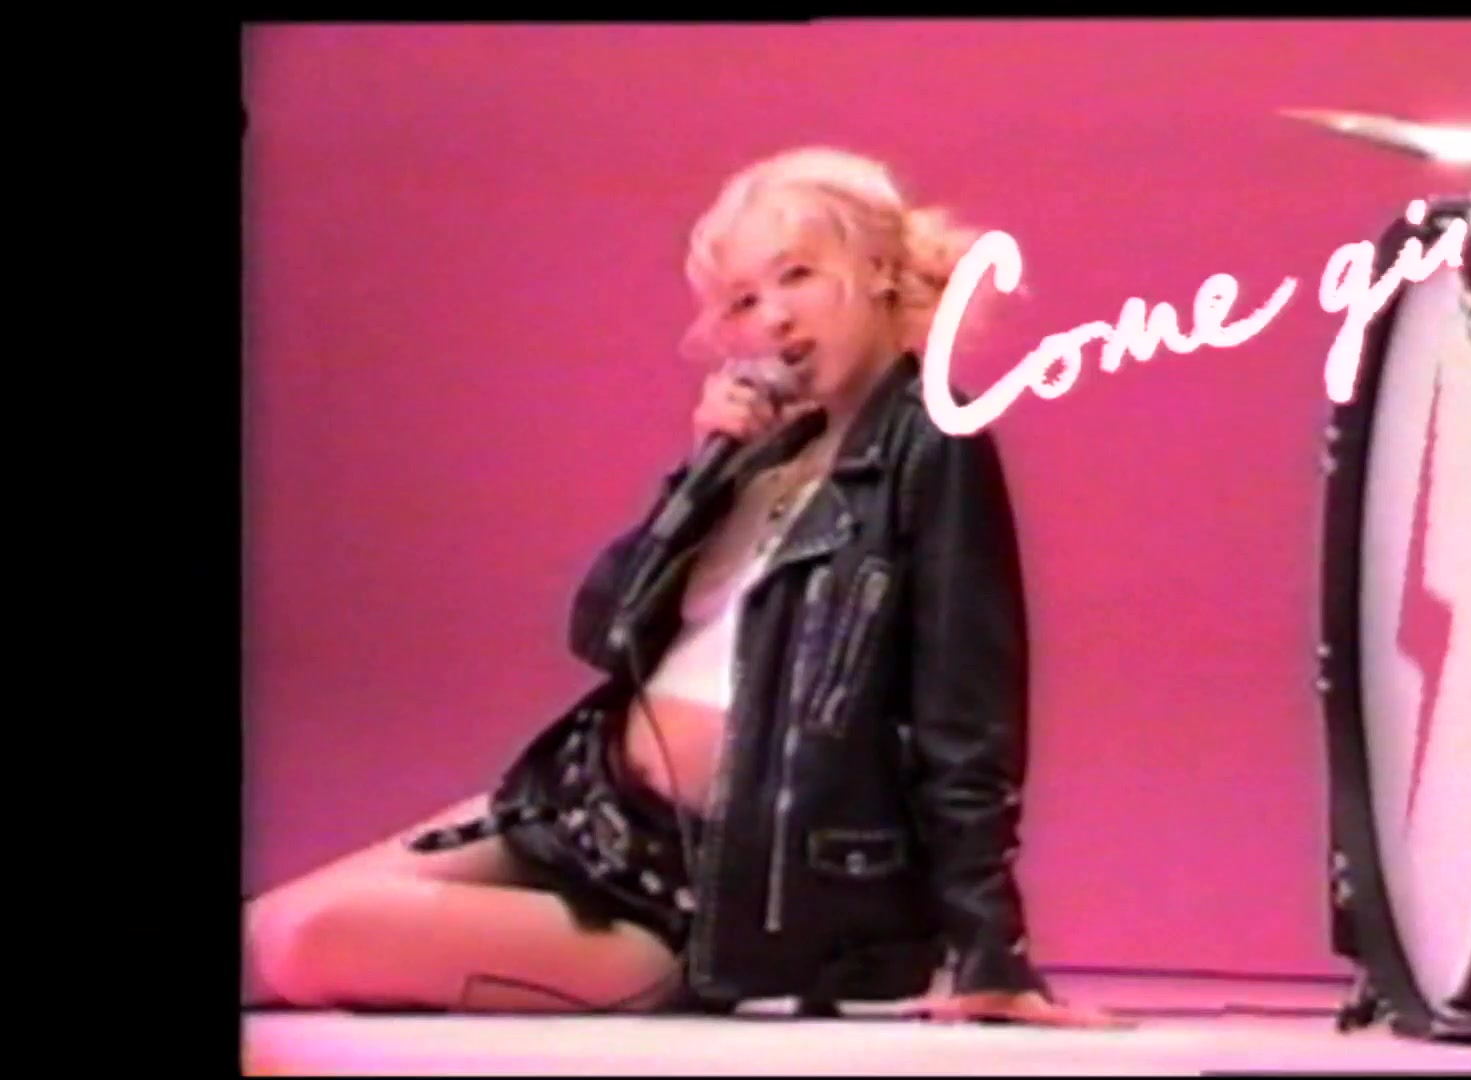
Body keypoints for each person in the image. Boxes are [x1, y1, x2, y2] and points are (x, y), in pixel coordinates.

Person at [244, 147, 1115, 1027]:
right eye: (744, 300)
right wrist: (703, 473)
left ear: (882, 269)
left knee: (304, 940)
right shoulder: (764, 452)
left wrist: (990, 953)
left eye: (797, 276)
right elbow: (603, 631)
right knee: (258, 934)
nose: (774, 316)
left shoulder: (933, 443)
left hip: (701, 896)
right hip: (581, 809)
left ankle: (663, 978)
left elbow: (967, 719)